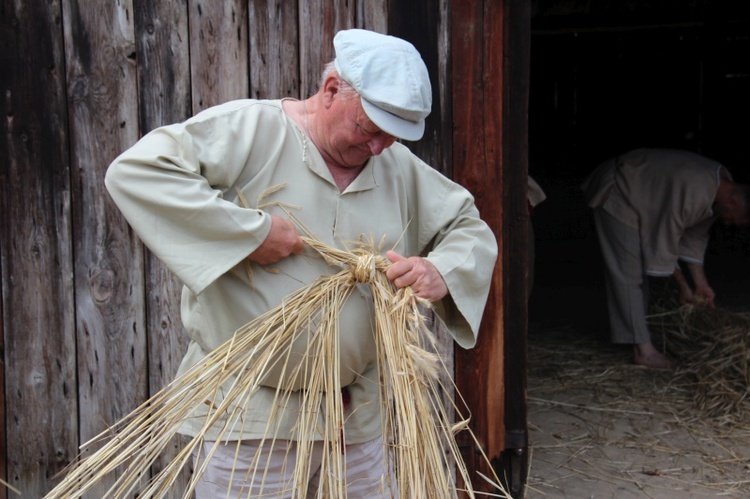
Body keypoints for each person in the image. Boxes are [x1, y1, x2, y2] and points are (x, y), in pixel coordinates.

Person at [105, 29, 497, 496]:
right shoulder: (251, 129)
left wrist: (440, 271)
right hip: (250, 420)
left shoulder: (398, 168)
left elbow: (468, 227)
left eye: (390, 139)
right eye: (369, 130)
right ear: (331, 91)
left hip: (354, 421)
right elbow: (136, 172)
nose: (377, 149)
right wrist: (249, 235)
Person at [582, 148, 750, 370]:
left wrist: (701, 284)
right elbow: (662, 240)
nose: (728, 223)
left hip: (644, 192)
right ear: (733, 202)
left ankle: (641, 337)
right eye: (733, 219)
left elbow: (695, 236)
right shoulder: (694, 191)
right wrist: (683, 286)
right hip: (622, 187)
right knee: (629, 272)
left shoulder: (721, 184)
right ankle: (643, 350)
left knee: (639, 274)